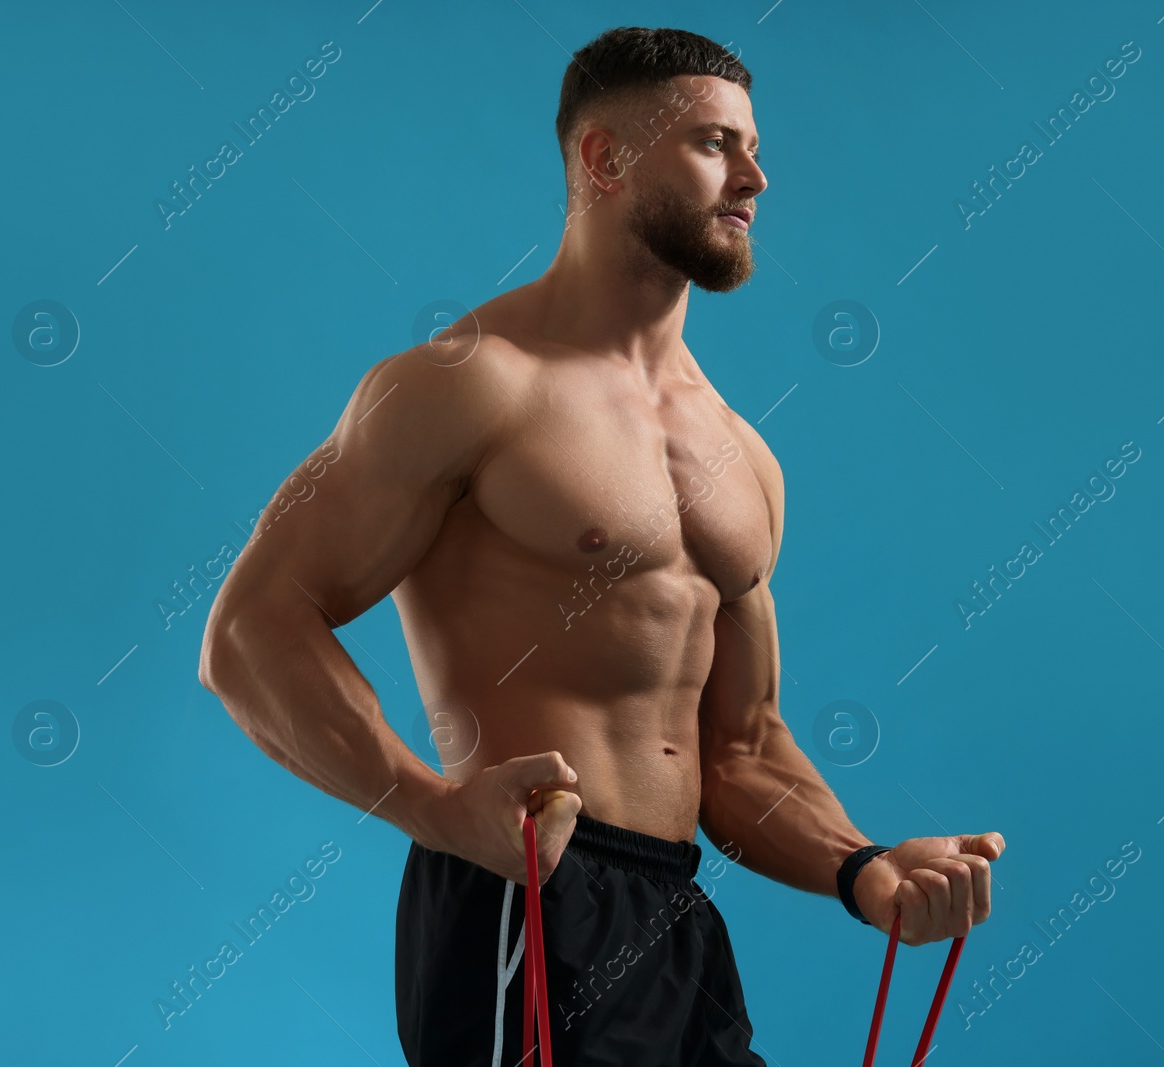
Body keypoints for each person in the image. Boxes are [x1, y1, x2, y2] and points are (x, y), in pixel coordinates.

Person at [199, 25, 1005, 1066]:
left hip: (674, 917)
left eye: (753, 148)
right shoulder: (464, 383)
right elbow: (250, 632)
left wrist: (865, 868)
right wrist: (442, 811)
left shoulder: (740, 454)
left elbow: (742, 750)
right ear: (604, 158)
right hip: (524, 892)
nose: (754, 176)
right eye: (716, 144)